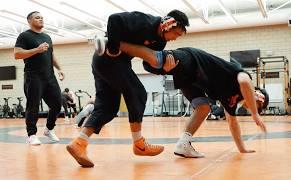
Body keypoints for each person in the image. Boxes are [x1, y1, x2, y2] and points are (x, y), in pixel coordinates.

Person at [66, 10, 189, 167]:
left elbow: (147, 63)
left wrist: (164, 68)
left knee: (108, 107)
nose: (175, 39)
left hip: (109, 63)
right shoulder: (144, 21)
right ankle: (139, 144)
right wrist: (113, 46)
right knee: (138, 94)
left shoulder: (160, 42)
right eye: (176, 34)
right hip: (108, 58)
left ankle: (79, 144)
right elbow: (114, 18)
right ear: (168, 25)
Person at [115, 41, 269, 157]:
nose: (251, 110)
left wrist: (242, 148)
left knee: (204, 108)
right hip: (193, 60)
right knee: (159, 60)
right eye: (256, 107)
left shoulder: (232, 102)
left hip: (191, 81)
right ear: (259, 97)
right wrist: (256, 114)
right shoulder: (244, 76)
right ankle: (118, 44)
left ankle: (183, 144)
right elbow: (244, 82)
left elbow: (232, 123)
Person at [14, 11, 64, 145]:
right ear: (29, 21)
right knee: (33, 106)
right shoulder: (24, 36)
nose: (41, 19)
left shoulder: (47, 37)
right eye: (37, 18)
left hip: (50, 76)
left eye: (42, 17)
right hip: (33, 76)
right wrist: (37, 50)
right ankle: (31, 134)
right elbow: (17, 54)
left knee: (57, 104)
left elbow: (51, 55)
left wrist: (60, 69)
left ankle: (48, 129)